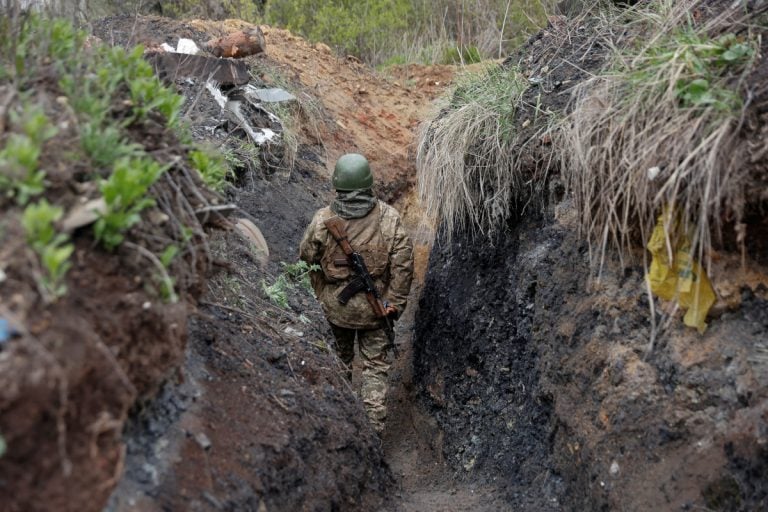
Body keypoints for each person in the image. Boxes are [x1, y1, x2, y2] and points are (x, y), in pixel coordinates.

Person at [299, 153, 413, 433]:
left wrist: (320, 295)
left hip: (336, 310)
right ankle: (373, 433)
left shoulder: (323, 219)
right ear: (368, 183)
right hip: (376, 312)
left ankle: (341, 425)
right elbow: (403, 265)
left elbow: (306, 261)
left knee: (339, 364)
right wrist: (394, 304)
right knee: (375, 369)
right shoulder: (389, 218)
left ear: (337, 184)